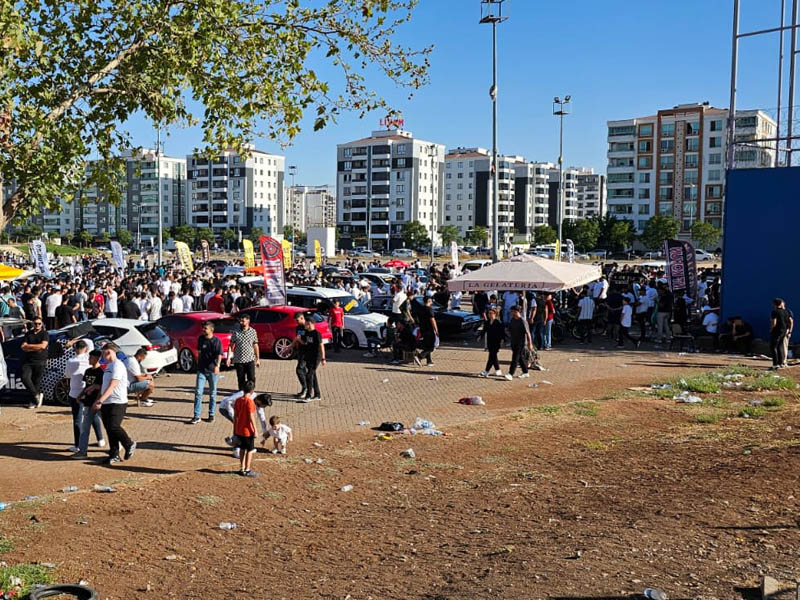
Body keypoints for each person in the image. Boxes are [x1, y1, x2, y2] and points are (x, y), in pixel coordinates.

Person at [93, 342, 135, 465]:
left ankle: (129, 443)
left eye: (103, 353)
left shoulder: (118, 365)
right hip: (108, 401)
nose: (102, 356)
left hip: (117, 401)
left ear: (108, 352)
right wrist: (100, 399)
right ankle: (114, 454)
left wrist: (100, 400)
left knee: (114, 426)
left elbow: (113, 385)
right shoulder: (109, 366)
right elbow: (105, 385)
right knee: (109, 429)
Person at [65, 340, 105, 453]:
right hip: (89, 393)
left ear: (75, 348)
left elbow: (67, 375)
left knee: (77, 419)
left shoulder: (71, 360)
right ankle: (100, 439)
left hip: (75, 392)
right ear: (86, 349)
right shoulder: (89, 360)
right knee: (93, 416)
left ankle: (78, 444)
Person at [189, 321, 224, 424]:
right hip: (202, 370)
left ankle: (211, 414)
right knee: (198, 392)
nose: (204, 330)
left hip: (213, 371)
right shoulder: (201, 339)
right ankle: (196, 415)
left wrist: (217, 366)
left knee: (212, 393)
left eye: (206, 328)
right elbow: (199, 352)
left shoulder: (216, 341)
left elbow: (219, 355)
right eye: (203, 328)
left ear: (211, 329)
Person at [233, 380, 259, 477]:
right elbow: (251, 417)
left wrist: (235, 429)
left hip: (239, 429)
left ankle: (242, 467)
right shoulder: (250, 402)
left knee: (242, 449)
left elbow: (235, 416)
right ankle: (247, 469)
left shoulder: (238, 401)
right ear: (252, 391)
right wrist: (255, 430)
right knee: (250, 450)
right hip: (248, 430)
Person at [21, 316, 49, 409]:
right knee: (25, 378)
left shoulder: (44, 334)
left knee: (36, 381)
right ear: (32, 324)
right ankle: (36, 395)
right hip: (28, 361)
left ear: (42, 324)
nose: (37, 325)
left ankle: (32, 401)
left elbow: (43, 346)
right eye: (35, 323)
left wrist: (29, 346)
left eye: (39, 323)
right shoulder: (28, 334)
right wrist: (35, 347)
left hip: (40, 360)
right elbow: (23, 347)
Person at [227, 313, 260, 390]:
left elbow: (255, 345)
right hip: (239, 360)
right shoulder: (236, 332)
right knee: (241, 379)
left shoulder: (253, 332)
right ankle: (241, 393)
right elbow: (231, 345)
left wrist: (257, 359)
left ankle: (251, 392)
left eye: (243, 321)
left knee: (251, 378)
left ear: (248, 321)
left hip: (250, 360)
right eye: (240, 321)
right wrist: (229, 358)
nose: (241, 322)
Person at [299, 316, 325, 402]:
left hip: (316, 357)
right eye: (306, 324)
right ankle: (317, 394)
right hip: (309, 356)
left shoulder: (316, 333)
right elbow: (305, 343)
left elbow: (321, 346)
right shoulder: (307, 333)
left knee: (309, 375)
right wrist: (299, 340)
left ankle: (308, 395)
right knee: (313, 375)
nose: (307, 326)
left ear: (312, 324)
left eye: (308, 324)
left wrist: (323, 358)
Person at [504, 306, 532, 380]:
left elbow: (528, 333)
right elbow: (509, 329)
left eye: (512, 311)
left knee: (515, 358)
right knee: (520, 358)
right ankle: (525, 372)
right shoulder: (512, 320)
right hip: (513, 341)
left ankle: (510, 374)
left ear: (517, 312)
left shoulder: (523, 321)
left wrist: (530, 343)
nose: (511, 313)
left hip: (520, 342)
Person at [479, 307, 505, 378]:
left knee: (491, 357)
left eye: (491, 313)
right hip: (490, 341)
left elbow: (502, 333)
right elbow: (484, 330)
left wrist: (502, 341)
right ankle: (498, 370)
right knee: (493, 356)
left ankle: (486, 371)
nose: (490, 315)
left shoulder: (499, 322)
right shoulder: (487, 322)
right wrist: (480, 337)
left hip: (496, 342)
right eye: (489, 313)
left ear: (495, 314)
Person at [414, 296, 438, 367]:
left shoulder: (420, 309)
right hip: (429, 329)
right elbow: (432, 320)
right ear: (429, 301)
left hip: (423, 329)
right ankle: (419, 356)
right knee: (431, 347)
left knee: (427, 345)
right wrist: (436, 330)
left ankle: (429, 361)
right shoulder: (429, 309)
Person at [770, 297, 793, 369]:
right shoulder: (787, 311)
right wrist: (789, 331)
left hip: (777, 331)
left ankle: (775, 364)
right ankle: (780, 363)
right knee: (779, 346)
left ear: (774, 304)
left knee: (773, 347)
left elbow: (774, 322)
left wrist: (771, 329)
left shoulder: (774, 312)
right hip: (784, 331)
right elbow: (791, 321)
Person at [291, 312, 309, 398]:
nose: (296, 322)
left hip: (307, 352)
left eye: (297, 320)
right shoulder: (299, 327)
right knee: (304, 370)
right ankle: (305, 388)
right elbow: (297, 338)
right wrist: (291, 347)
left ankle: (306, 388)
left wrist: (300, 341)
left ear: (302, 318)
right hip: (300, 351)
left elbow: (307, 342)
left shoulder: (307, 327)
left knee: (299, 370)